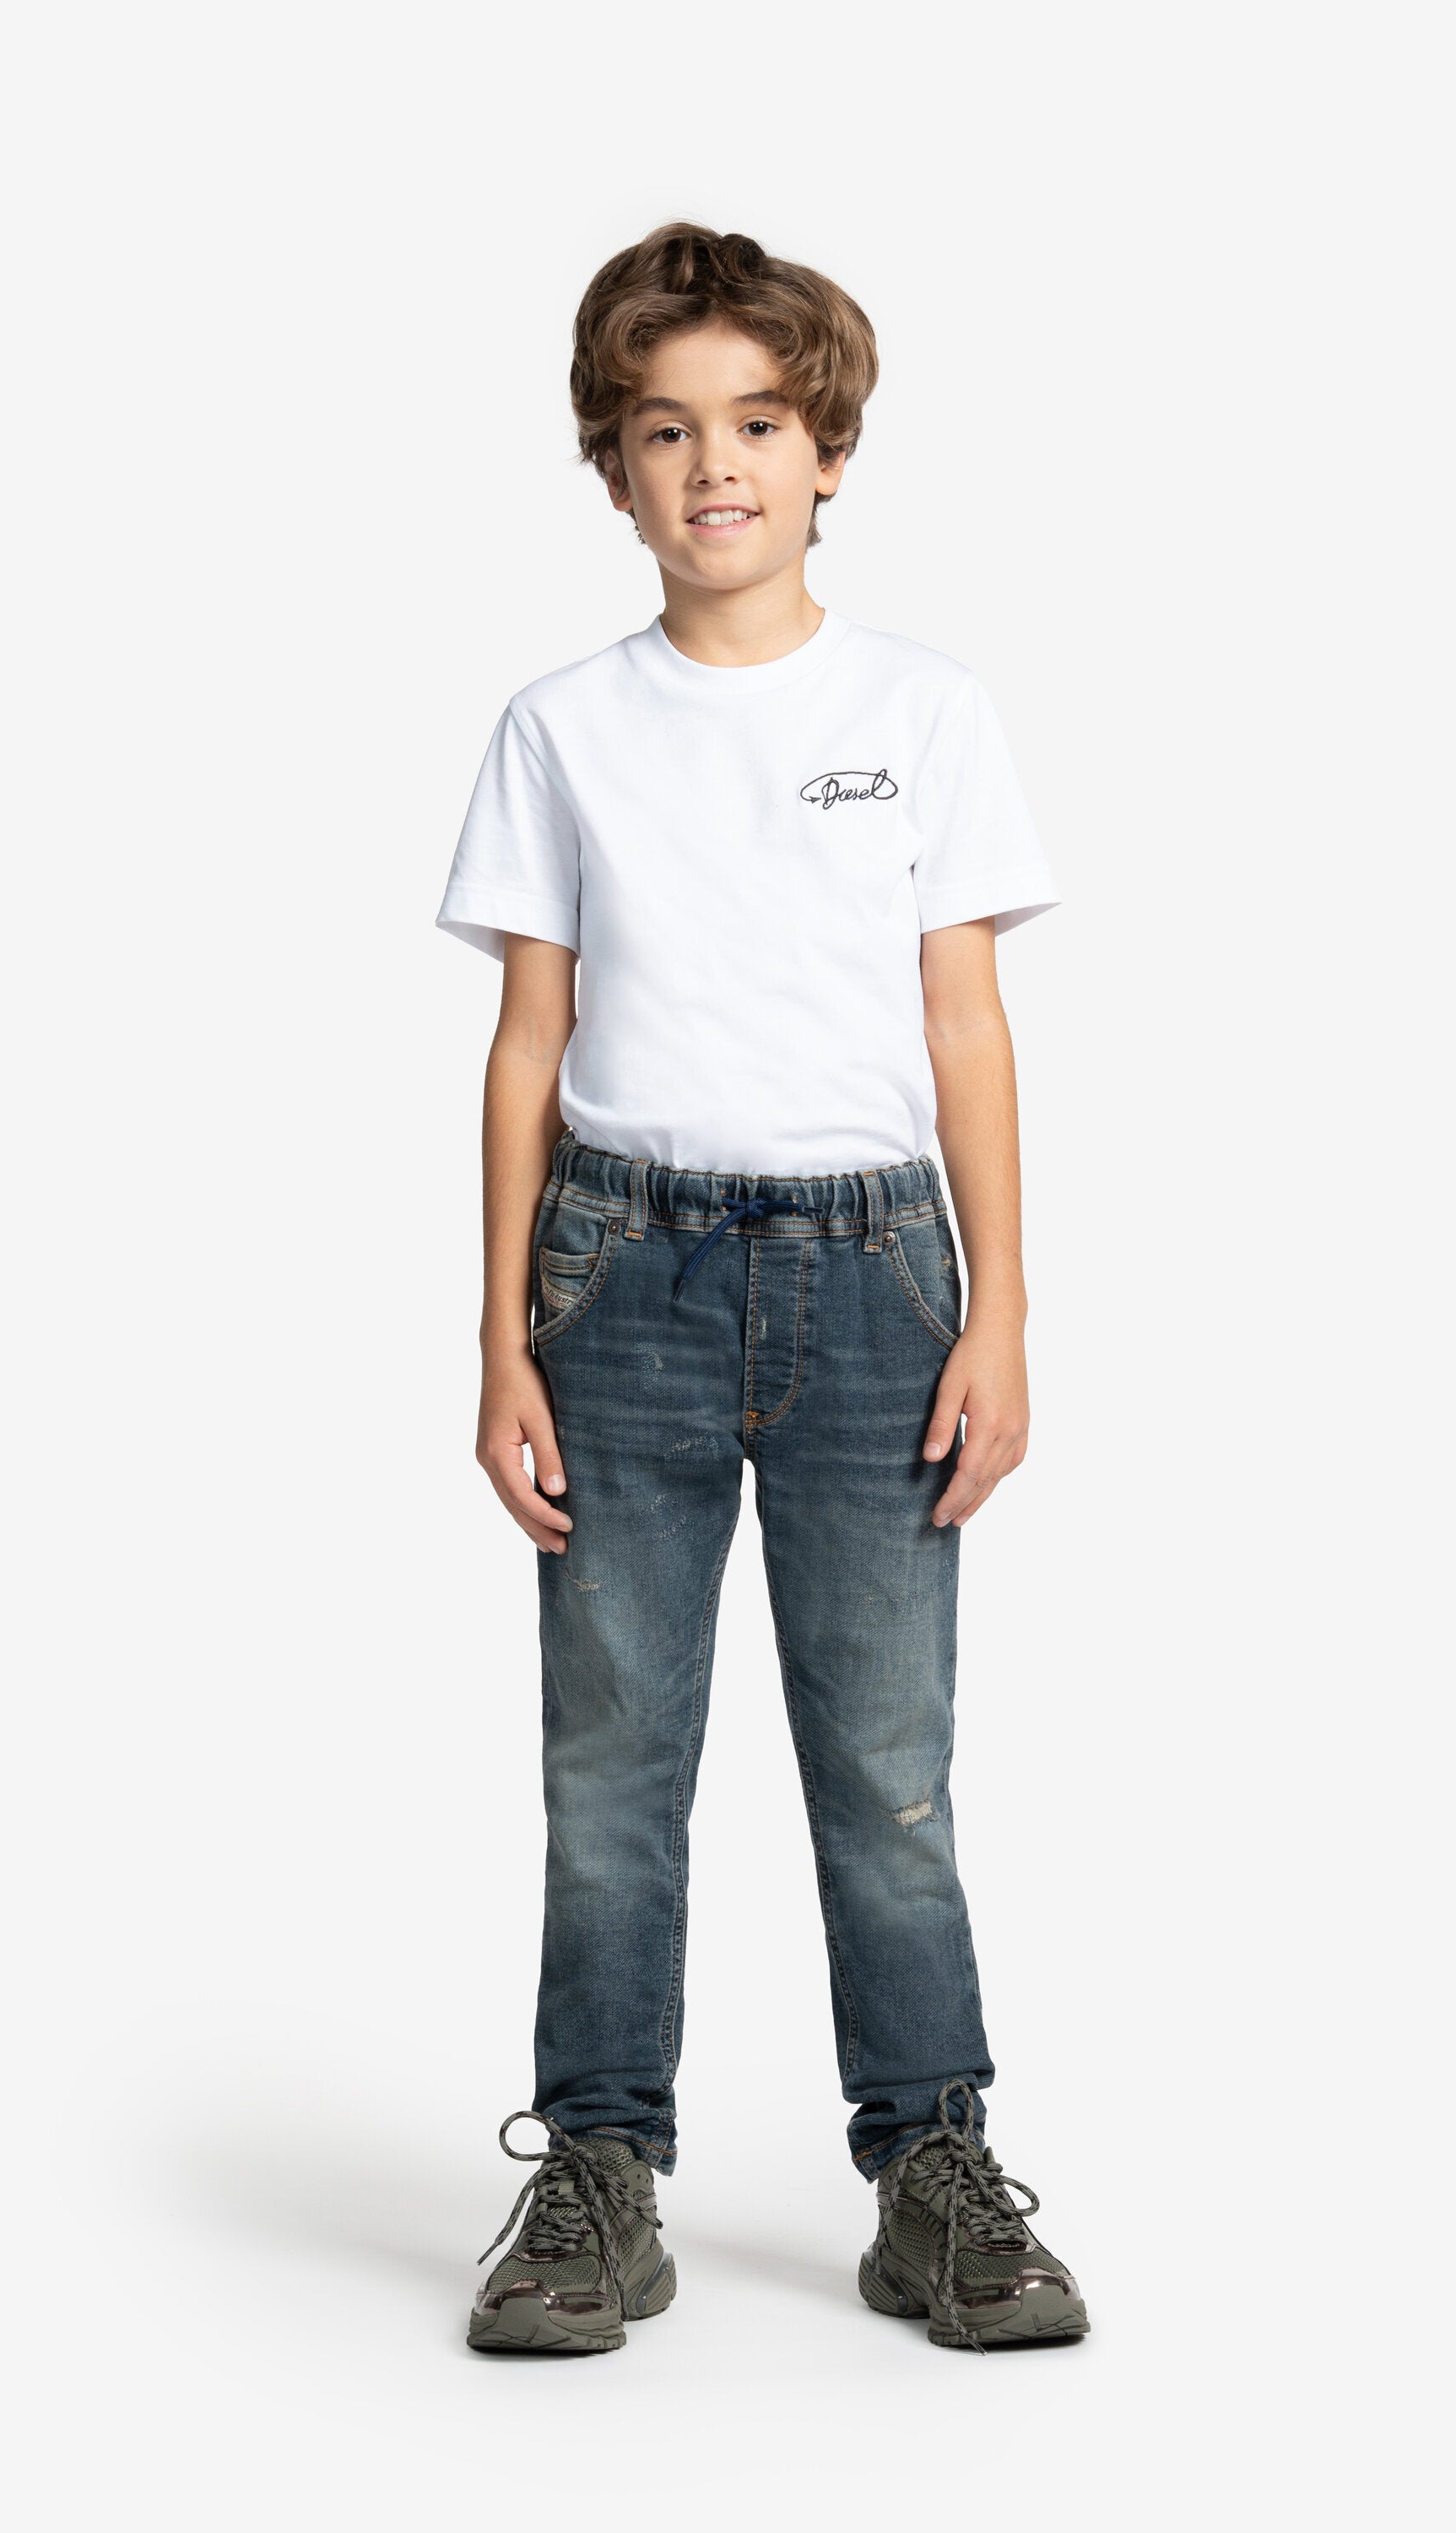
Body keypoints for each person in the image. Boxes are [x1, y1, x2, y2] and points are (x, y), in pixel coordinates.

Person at [437, 223, 1088, 2357]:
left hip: (874, 1275)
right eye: (664, 431)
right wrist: (498, 1334)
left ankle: (933, 2169)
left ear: (827, 455)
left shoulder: (922, 711)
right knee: (612, 1761)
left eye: (755, 424)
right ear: (614, 468)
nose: (712, 465)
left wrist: (999, 1308)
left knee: (885, 1763)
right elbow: (528, 1040)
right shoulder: (561, 727)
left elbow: (964, 1022)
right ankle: (597, 2173)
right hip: (617, 1273)